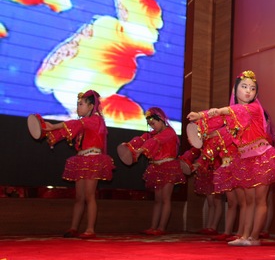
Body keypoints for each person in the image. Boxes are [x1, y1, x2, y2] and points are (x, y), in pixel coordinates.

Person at [187, 70, 275, 246]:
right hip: (245, 157)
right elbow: (217, 123)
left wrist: (203, 114)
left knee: (260, 199)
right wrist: (199, 123)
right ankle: (244, 235)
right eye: (244, 87)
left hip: (261, 155)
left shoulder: (253, 108)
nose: (248, 91)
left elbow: (229, 111)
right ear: (235, 89)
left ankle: (254, 237)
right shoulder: (232, 113)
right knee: (248, 201)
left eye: (253, 88)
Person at [43, 90, 115, 239]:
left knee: (89, 195)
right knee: (79, 197)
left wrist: (53, 126)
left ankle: (90, 229)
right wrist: (50, 134)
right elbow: (67, 131)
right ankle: (73, 228)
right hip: (81, 159)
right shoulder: (82, 123)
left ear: (91, 106)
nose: (78, 107)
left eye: (81, 104)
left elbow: (73, 124)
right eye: (77, 104)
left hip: (93, 159)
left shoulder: (95, 120)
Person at [122, 107, 186, 236]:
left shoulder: (169, 132)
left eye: (154, 123)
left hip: (168, 167)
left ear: (161, 119)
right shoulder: (152, 134)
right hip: (156, 167)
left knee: (165, 198)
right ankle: (153, 227)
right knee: (158, 199)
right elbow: (142, 139)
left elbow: (154, 141)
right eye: (150, 124)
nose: (153, 126)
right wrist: (130, 147)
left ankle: (161, 228)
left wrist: (140, 150)